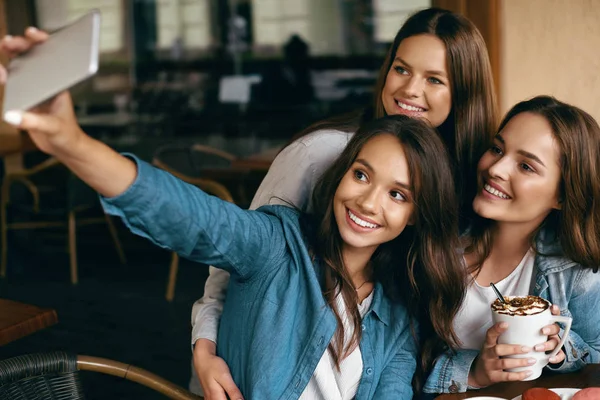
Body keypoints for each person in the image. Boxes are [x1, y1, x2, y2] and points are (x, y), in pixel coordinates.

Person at [0, 61, 465, 397]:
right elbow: (185, 214)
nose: (368, 201)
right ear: (341, 173)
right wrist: (70, 142)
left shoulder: (397, 307)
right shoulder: (277, 247)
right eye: (361, 175)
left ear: (416, 216)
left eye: (397, 194)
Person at [189, 7, 497, 399]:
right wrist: (205, 349)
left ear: (463, 95)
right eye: (401, 69)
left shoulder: (456, 179)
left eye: (434, 79)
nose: (410, 90)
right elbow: (232, 266)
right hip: (255, 379)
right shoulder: (323, 153)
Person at [424, 96, 600, 394]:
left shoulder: (576, 270)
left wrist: (560, 351)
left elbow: (596, 350)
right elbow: (396, 358)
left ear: (562, 195)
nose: (496, 169)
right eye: (496, 149)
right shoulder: (433, 245)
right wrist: (475, 371)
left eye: (526, 166)